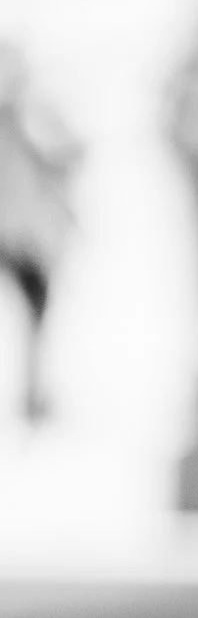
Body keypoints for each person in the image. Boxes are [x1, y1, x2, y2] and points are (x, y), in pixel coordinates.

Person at [0, 46, 77, 426]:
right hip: (18, 233)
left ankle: (33, 396)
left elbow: (67, 156)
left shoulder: (36, 115)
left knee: (34, 322)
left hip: (31, 236)